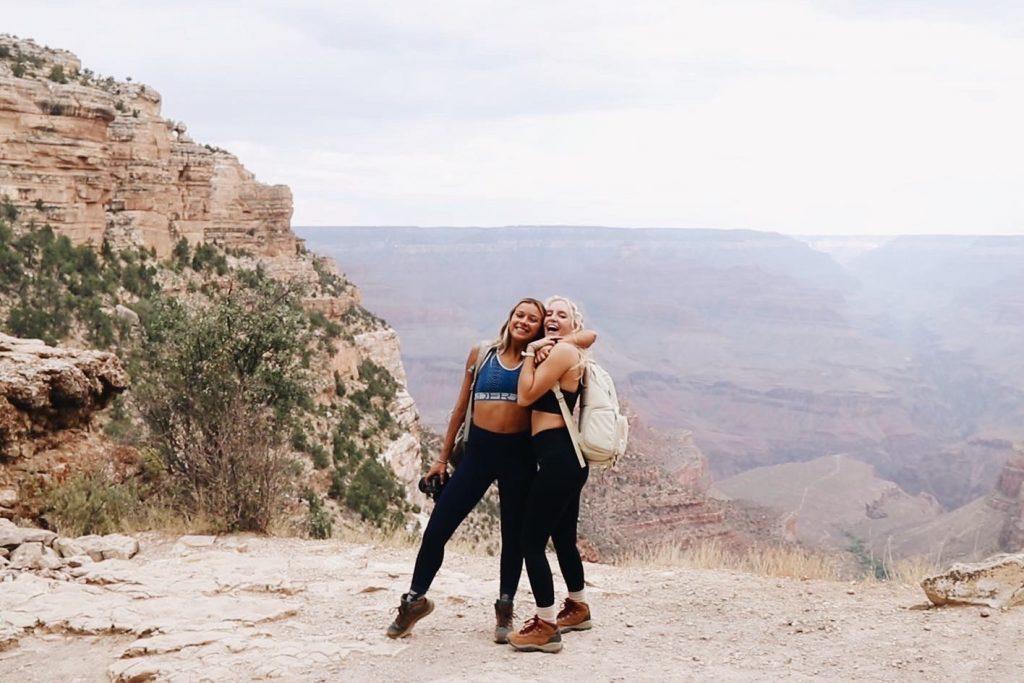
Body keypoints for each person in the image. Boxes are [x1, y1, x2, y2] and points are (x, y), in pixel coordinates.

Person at [387, 298, 595, 643]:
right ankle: (414, 599)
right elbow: (459, 407)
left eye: (534, 319)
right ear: (510, 317)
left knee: (513, 537)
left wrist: (551, 342)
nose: (525, 322)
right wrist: (441, 457)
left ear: (540, 328)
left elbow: (586, 337)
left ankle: (505, 605)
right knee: (439, 527)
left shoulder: (541, 357)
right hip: (478, 454)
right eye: (520, 315)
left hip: (519, 456)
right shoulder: (482, 354)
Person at [507, 296, 592, 654]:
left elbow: (525, 395)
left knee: (530, 541)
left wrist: (529, 354)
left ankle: (545, 625)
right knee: (563, 539)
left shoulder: (560, 353)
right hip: (568, 460)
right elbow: (589, 337)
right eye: (550, 314)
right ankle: (578, 606)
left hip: (557, 457)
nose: (553, 318)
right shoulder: (565, 349)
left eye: (563, 314)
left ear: (574, 323)